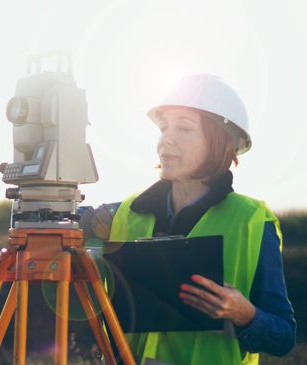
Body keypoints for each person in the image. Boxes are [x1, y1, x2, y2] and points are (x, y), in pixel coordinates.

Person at [79, 74, 296, 365]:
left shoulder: (252, 221)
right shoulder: (129, 212)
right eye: (165, 127)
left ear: (221, 142)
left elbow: (283, 337)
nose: (166, 138)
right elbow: (79, 221)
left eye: (184, 128)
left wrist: (244, 314)